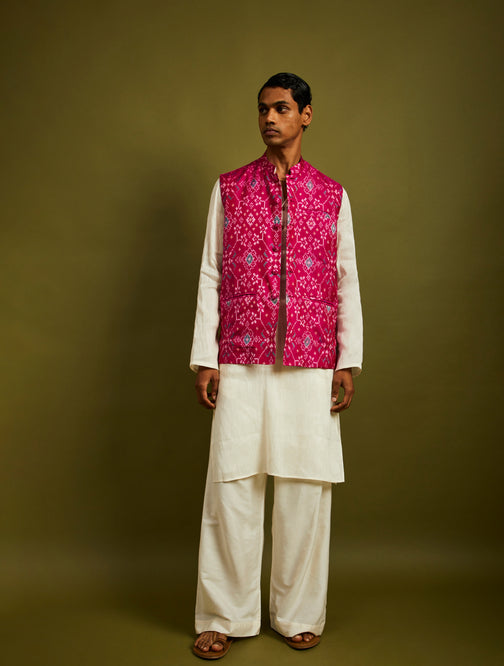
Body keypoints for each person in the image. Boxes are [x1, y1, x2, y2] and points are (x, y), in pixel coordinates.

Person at [190, 72, 363, 660]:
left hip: (311, 360)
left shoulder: (332, 194)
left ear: (306, 115)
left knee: (304, 490)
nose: (269, 118)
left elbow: (346, 278)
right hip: (242, 355)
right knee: (232, 487)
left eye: (282, 109)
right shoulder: (230, 189)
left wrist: (348, 359)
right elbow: (211, 272)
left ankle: (298, 615)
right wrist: (205, 356)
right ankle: (223, 615)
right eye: (263, 109)